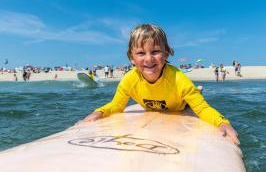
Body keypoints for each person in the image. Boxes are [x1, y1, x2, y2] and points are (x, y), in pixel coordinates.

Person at [77, 24, 239, 145]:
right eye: (141, 53)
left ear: (166, 53)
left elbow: (203, 109)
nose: (148, 59)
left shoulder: (178, 79)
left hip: (180, 105)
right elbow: (116, 105)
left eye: (155, 52)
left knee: (192, 102)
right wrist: (98, 113)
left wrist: (222, 123)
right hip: (159, 104)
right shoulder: (129, 80)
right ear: (131, 57)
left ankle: (196, 92)